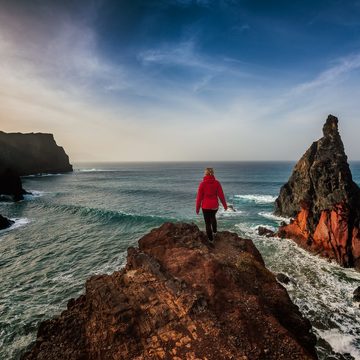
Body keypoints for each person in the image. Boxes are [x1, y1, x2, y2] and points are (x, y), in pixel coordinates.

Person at [196, 167, 227, 242]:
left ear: (205, 174)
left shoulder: (202, 184)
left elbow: (199, 198)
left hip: (205, 206)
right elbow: (221, 195)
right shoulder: (217, 183)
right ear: (213, 173)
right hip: (214, 206)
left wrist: (197, 208)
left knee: (207, 223)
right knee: (213, 217)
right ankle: (215, 232)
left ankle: (210, 239)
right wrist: (225, 205)